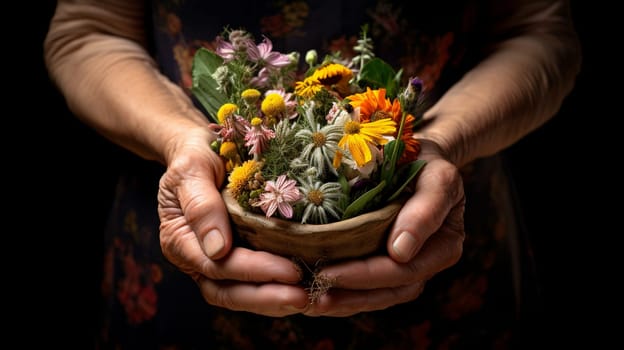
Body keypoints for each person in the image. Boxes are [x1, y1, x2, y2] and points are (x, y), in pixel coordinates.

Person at [44, 0, 581, 348]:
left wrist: (440, 144)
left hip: (439, 250)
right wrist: (184, 140)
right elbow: (86, 31)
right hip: (187, 251)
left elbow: (539, 31)